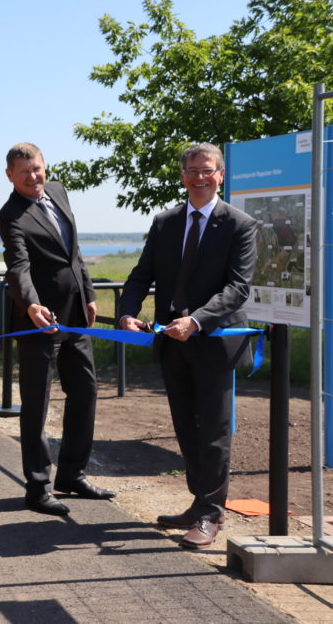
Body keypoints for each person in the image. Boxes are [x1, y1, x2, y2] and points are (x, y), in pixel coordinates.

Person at [119, 142, 257, 548]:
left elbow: (238, 287)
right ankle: (200, 502)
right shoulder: (164, 222)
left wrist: (196, 321)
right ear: (182, 176)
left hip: (213, 343)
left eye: (207, 170)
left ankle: (211, 516)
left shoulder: (239, 225)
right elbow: (141, 275)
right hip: (171, 344)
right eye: (192, 170)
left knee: (213, 432)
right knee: (186, 429)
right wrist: (128, 312)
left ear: (221, 176)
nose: (200, 177)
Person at [0, 142, 115, 517]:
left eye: (38, 169)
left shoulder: (59, 191)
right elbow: (18, 266)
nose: (34, 177)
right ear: (10, 176)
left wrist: (90, 293)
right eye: (25, 172)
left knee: (86, 392)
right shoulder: (9, 215)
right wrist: (30, 304)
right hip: (39, 324)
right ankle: (37, 485)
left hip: (76, 315)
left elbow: (73, 251)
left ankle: (73, 475)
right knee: (37, 404)